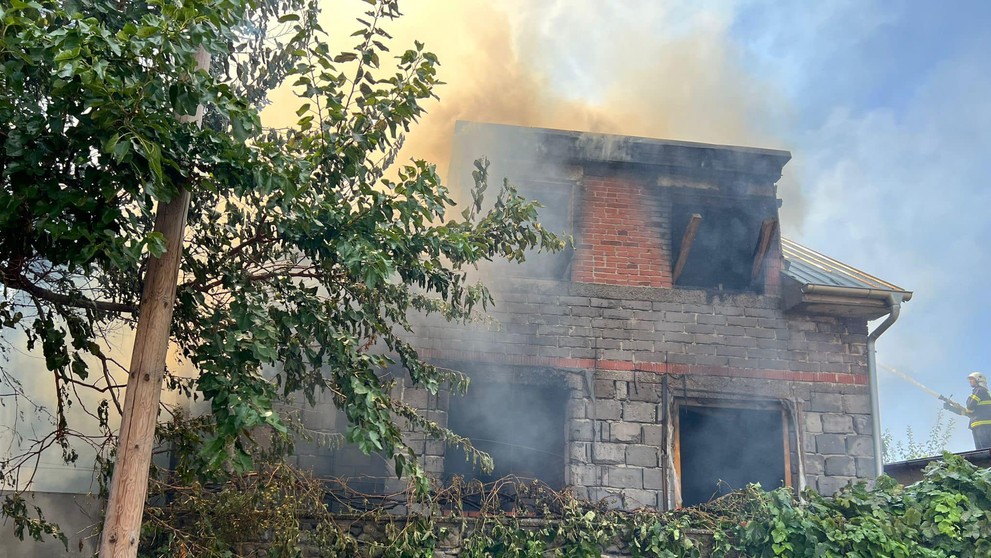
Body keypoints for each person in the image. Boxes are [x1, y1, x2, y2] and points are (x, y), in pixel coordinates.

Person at [944, 372, 991, 450]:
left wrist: (963, 407)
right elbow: (967, 413)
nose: (970, 381)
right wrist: (951, 408)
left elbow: (970, 406)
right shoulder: (982, 393)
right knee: (981, 453)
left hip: (984, 427)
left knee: (985, 452)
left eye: (972, 379)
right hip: (979, 426)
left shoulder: (980, 390)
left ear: (978, 380)